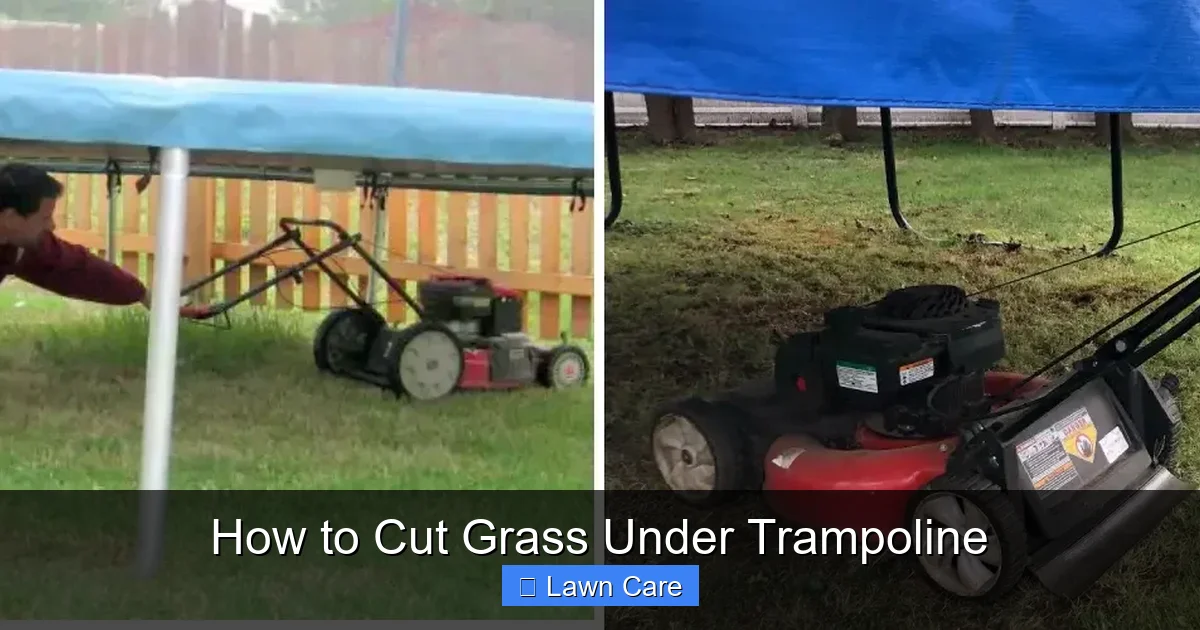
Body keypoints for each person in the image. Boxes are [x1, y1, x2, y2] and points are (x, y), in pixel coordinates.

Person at [0, 161, 195, 314]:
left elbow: (80, 269)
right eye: (44, 218)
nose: (51, 226)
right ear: (10, 218)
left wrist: (143, 295)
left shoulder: (21, 245)